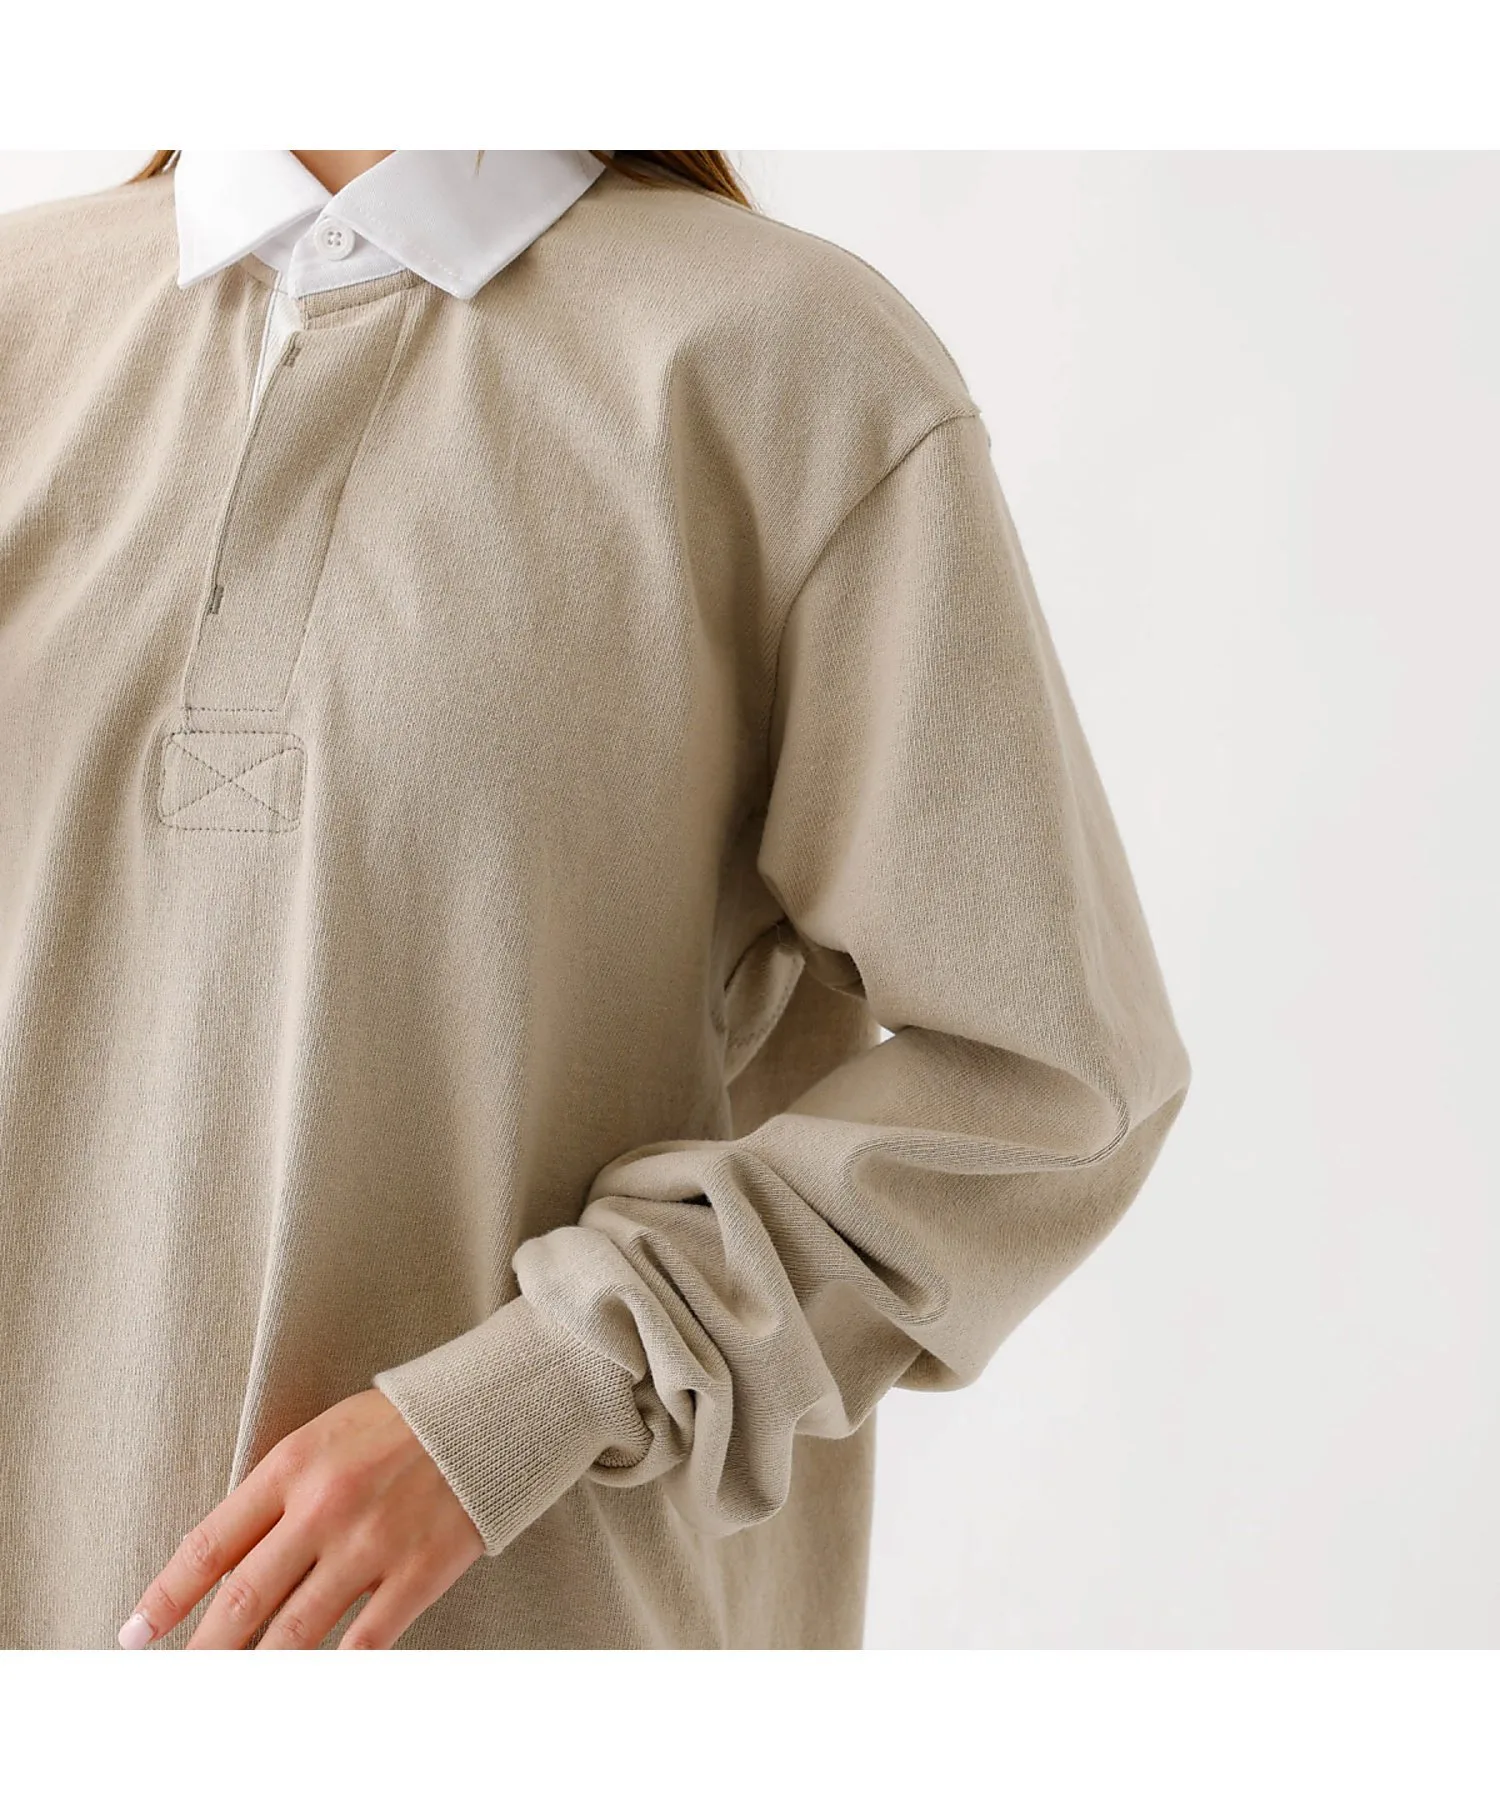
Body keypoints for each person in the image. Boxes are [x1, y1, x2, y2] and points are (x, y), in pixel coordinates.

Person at [0, 148, 1192, 1650]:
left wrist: (536, 1392)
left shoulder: (783, 364)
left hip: (514, 1630)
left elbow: (1055, 1080)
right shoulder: (26, 317)